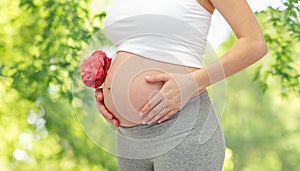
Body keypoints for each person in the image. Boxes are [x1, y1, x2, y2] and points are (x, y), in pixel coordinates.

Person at [94, 0, 268, 170]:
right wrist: (109, 89)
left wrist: (191, 83)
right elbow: (138, 45)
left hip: (182, 128)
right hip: (130, 138)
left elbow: (254, 43)